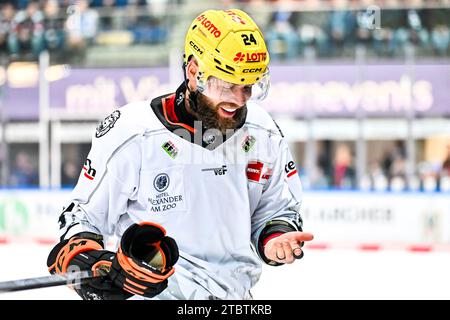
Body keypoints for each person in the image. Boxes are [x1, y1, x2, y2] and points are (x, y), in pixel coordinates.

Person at [47, 8, 313, 300]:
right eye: (227, 85)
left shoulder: (263, 131)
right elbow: (81, 218)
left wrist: (275, 237)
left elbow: (276, 210)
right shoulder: (133, 132)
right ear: (194, 72)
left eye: (249, 87)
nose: (239, 99)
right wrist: (87, 261)